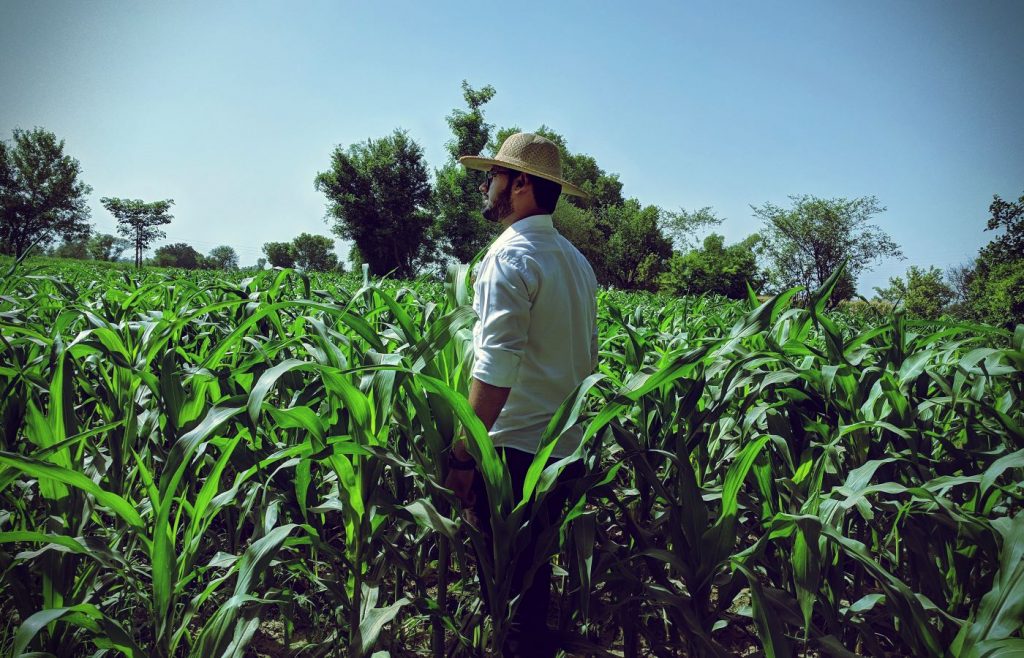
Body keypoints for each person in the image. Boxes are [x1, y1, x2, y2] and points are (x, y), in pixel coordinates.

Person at [444, 132, 599, 657]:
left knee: (507, 601)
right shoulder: (576, 262)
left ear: (521, 184)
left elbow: (495, 371)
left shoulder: (510, 257)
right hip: (563, 454)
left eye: (492, 177)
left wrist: (464, 456)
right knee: (532, 594)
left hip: (512, 456)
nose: (486, 186)